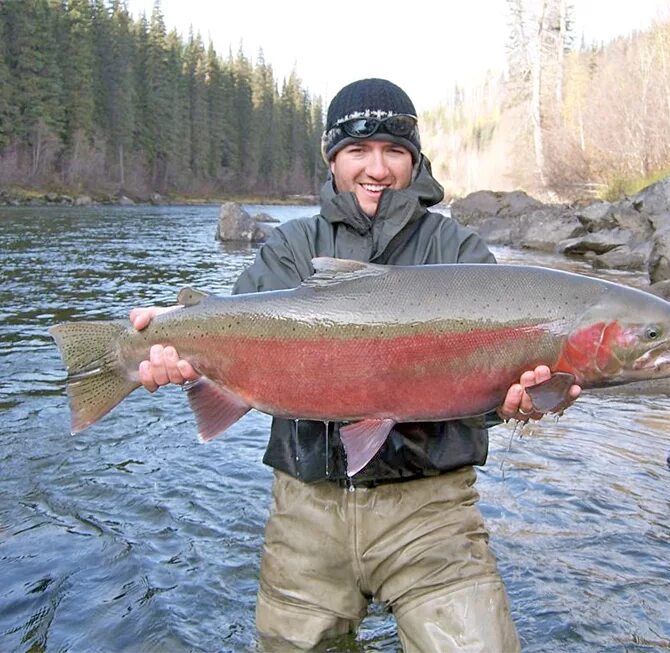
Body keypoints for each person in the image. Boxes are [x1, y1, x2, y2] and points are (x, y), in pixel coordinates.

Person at [131, 78, 581, 652]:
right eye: (357, 151)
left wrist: (520, 405)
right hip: (306, 510)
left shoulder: (461, 254)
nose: (378, 168)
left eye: (395, 150)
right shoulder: (290, 248)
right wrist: (171, 350)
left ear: (415, 161)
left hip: (433, 513)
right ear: (332, 159)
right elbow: (227, 334)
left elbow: (490, 391)